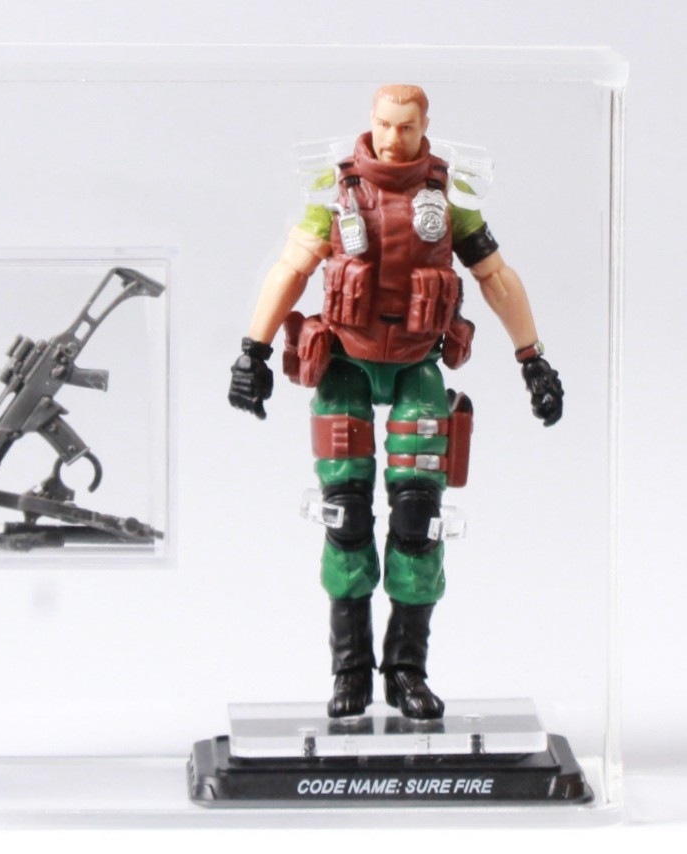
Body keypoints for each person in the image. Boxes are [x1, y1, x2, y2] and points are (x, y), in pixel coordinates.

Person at [228, 84, 563, 720]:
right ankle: (350, 669)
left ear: (424, 125)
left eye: (406, 126)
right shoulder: (334, 192)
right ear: (371, 120)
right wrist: (254, 350)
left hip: (416, 365)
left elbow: (495, 277)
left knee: (417, 519)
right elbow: (292, 268)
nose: (392, 138)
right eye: (384, 123)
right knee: (345, 514)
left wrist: (533, 359)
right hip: (345, 363)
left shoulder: (450, 197)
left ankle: (406, 669)